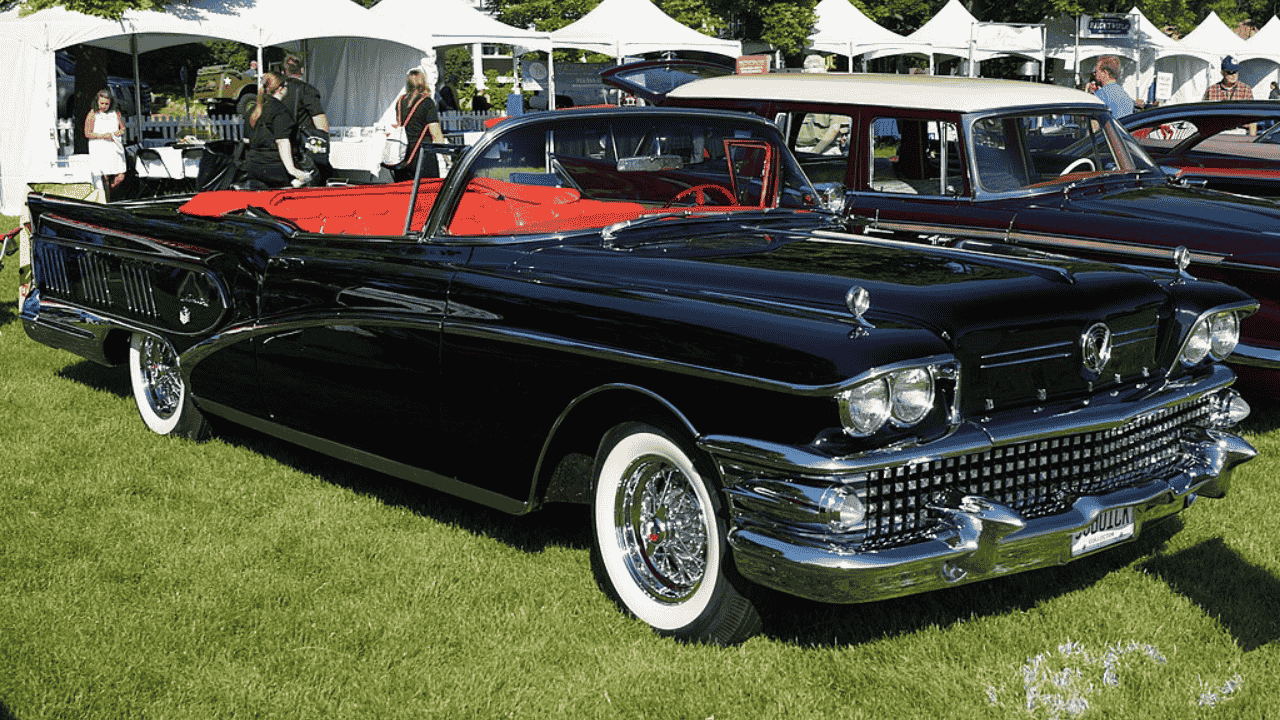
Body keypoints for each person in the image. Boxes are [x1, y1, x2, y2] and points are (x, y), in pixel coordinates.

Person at [242, 72, 310, 188]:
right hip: (276, 169)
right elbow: (282, 142)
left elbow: (247, 140)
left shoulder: (252, 110)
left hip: (253, 167)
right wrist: (293, 171)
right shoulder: (280, 111)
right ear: (280, 89)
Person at [281, 53, 331, 181]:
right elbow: (320, 123)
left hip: (279, 149)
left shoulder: (276, 92)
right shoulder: (307, 90)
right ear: (302, 70)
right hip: (301, 149)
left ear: (284, 72)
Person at [391, 68, 444, 182]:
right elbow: (435, 133)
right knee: (427, 188)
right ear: (424, 82)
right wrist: (446, 156)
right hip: (423, 154)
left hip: (402, 154)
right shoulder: (427, 103)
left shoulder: (400, 101)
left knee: (404, 188)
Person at [84, 89, 127, 201]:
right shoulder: (93, 114)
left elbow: (122, 128)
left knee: (120, 175)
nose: (104, 106)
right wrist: (103, 136)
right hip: (100, 148)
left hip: (114, 147)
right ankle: (106, 198)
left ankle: (109, 193)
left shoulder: (115, 113)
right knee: (104, 175)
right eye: (101, 103)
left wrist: (118, 132)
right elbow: (87, 133)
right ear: (97, 102)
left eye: (106, 104)